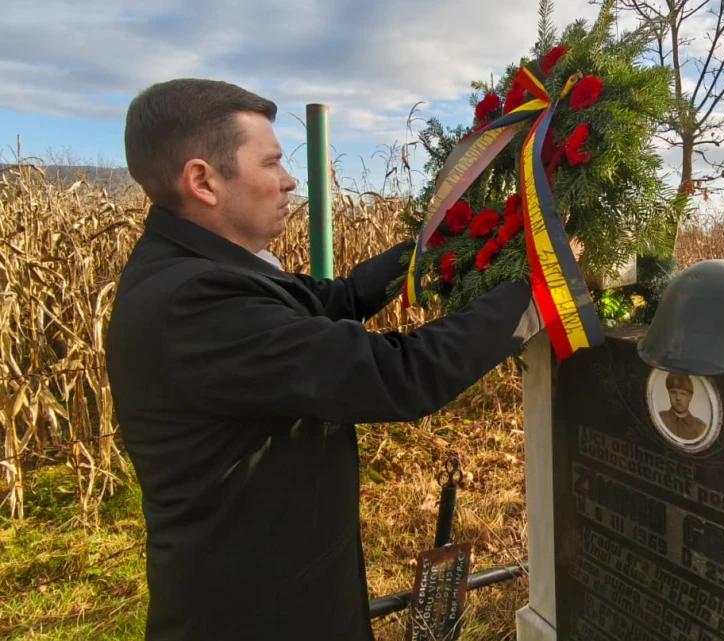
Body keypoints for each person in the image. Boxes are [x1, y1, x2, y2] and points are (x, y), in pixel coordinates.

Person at [105, 79, 544, 641]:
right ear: (203, 180)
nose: (290, 180)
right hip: (260, 615)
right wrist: (533, 291)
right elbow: (397, 376)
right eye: (272, 162)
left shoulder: (205, 266)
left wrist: (434, 241)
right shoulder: (195, 303)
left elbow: (329, 301)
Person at [658, 373, 707, 440]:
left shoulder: (700, 428)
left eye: (683, 394)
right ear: (669, 393)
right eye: (673, 392)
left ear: (690, 397)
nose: (678, 398)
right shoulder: (659, 419)